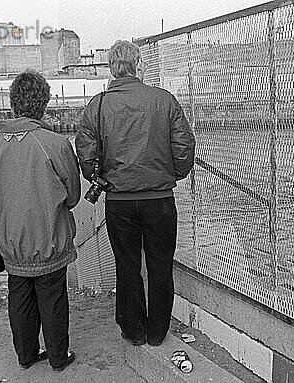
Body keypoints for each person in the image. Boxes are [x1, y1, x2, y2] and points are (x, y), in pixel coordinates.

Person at [75, 40, 195, 347]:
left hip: (120, 202)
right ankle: (157, 331)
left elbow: (85, 151)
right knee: (160, 265)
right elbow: (184, 146)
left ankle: (134, 330)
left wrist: (98, 177)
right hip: (159, 199)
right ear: (139, 64)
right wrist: (172, 175)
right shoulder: (164, 100)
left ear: (111, 68)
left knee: (127, 267)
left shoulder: (98, 105)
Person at [0, 70, 80, 372]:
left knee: (19, 296)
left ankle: (25, 355)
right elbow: (72, 195)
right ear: (43, 104)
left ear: (13, 103)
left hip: (10, 242)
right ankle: (58, 358)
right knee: (53, 297)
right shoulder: (55, 143)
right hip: (48, 238)